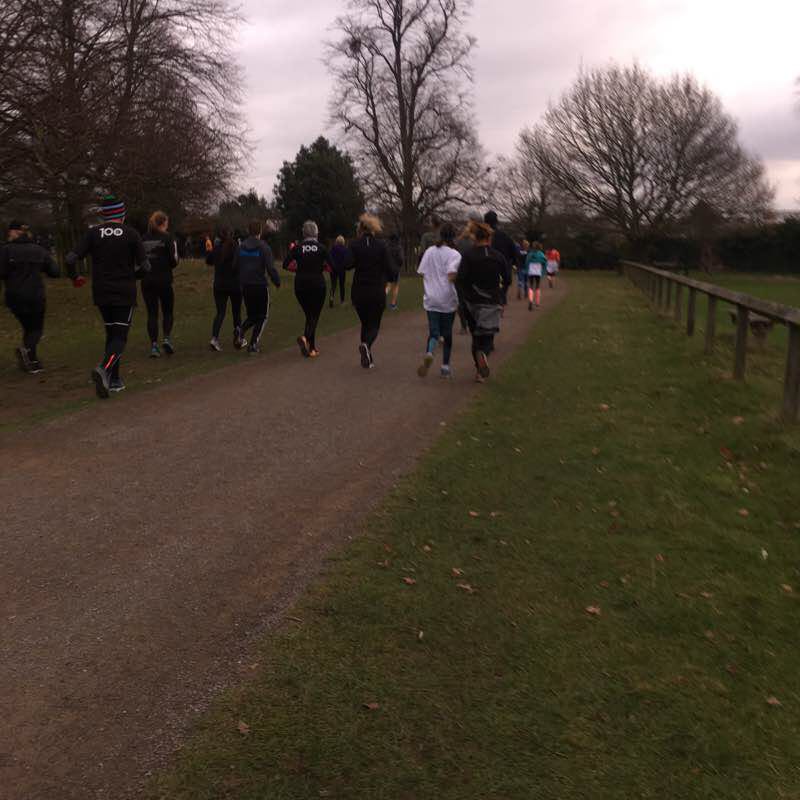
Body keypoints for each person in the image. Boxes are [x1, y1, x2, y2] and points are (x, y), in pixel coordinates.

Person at [66, 194, 149, 397]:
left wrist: (75, 277)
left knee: (112, 335)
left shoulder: (93, 233)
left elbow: (70, 258)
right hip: (123, 291)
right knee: (120, 337)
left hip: (101, 291)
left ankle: (114, 380)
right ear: (122, 214)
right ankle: (104, 368)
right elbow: (146, 267)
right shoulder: (131, 234)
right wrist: (132, 276)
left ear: (104, 216)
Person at [0, 220, 59, 373]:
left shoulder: (5, 250)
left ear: (13, 232)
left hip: (14, 296)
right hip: (35, 295)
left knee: (28, 327)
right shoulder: (39, 250)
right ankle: (27, 351)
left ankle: (31, 360)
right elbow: (54, 271)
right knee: (35, 329)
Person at [456, 220, 508, 383]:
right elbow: (507, 278)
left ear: (474, 237)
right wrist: (502, 295)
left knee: (476, 335)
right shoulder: (498, 256)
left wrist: (465, 295)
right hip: (492, 300)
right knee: (488, 335)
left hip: (471, 301)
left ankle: (479, 368)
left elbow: (461, 278)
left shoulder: (468, 255)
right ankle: (483, 356)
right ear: (489, 238)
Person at [347, 213, 393, 369]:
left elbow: (348, 264)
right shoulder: (381, 245)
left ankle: (367, 358)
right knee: (374, 326)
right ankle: (366, 344)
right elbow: (390, 268)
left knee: (365, 323)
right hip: (376, 290)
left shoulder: (354, 244)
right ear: (374, 228)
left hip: (359, 291)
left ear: (361, 228)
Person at [417, 222, 461, 379]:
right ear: (453, 237)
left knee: (434, 331)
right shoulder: (455, 255)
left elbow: (421, 272)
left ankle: (430, 351)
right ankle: (445, 367)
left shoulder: (429, 251)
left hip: (431, 297)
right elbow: (451, 275)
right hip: (448, 298)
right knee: (447, 334)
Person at [283, 220, 330, 358]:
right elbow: (332, 265)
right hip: (317, 285)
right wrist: (322, 267)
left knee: (310, 316)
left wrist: (298, 268)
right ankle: (305, 338)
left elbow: (285, 264)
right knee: (314, 315)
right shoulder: (321, 248)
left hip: (300, 285)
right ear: (316, 233)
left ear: (303, 233)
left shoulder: (297, 248)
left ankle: (312, 348)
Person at [234, 220, 281, 354]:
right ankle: (253, 344)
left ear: (249, 231)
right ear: (259, 232)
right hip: (260, 285)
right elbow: (270, 268)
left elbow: (235, 265)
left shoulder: (241, 247)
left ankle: (240, 330)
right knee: (263, 316)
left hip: (245, 286)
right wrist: (276, 281)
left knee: (253, 315)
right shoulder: (264, 247)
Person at [141, 211, 179, 357]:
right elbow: (174, 260)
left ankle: (154, 346)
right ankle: (167, 339)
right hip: (164, 280)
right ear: (163, 223)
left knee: (152, 314)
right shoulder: (168, 238)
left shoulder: (143, 238)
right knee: (168, 311)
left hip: (147, 281)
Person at [206, 227, 245, 351]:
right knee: (236, 312)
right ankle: (238, 338)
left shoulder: (217, 249)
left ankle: (214, 338)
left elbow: (208, 261)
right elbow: (241, 264)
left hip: (219, 285)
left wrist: (211, 250)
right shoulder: (236, 248)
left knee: (220, 313)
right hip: (235, 284)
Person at [483, 211, 518, 304]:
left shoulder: (481, 236)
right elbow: (514, 252)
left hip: (486, 270)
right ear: (496, 222)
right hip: (503, 269)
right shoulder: (505, 236)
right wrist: (513, 263)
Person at [328, 235, 351, 306]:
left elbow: (329, 257)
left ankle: (331, 297)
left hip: (333, 268)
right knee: (342, 285)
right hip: (341, 269)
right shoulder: (345, 249)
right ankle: (342, 301)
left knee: (333, 284)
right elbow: (347, 259)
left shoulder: (333, 248)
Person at [524, 241, 548, 310]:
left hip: (531, 269)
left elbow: (526, 262)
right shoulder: (541, 254)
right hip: (538, 269)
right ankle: (537, 302)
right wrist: (543, 270)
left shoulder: (530, 254)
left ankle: (531, 301)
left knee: (531, 285)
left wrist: (527, 269)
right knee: (537, 285)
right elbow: (545, 261)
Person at [386, 232, 404, 310]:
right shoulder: (398, 247)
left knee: (388, 286)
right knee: (395, 286)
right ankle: (393, 304)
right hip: (396, 269)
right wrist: (399, 265)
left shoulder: (386, 247)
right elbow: (401, 259)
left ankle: (381, 300)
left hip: (387, 268)